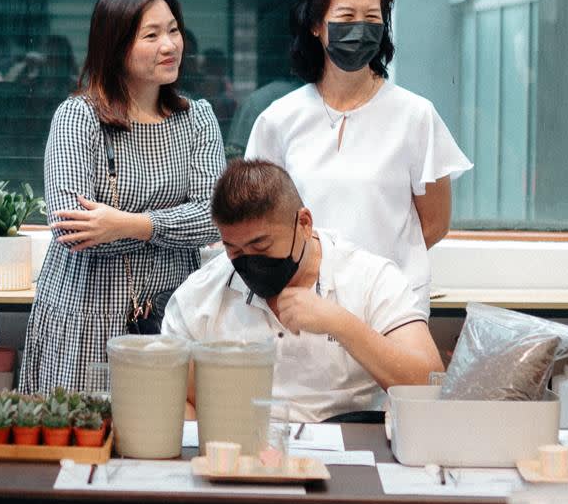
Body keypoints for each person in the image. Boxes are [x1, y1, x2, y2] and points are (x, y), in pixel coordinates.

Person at [21, 0, 226, 392]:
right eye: (151, 35)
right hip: (86, 316)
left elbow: (213, 218)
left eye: (173, 30)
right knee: (81, 429)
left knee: (165, 427)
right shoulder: (79, 117)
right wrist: (170, 227)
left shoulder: (197, 117)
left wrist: (127, 224)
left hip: (173, 313)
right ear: (115, 46)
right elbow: (73, 231)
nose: (169, 45)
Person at [245, 0, 469, 313]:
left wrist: (375, 273)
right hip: (305, 302)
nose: (360, 29)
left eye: (372, 18)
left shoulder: (415, 116)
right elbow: (259, 219)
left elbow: (435, 224)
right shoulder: (279, 119)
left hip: (392, 305)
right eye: (346, 17)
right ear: (316, 25)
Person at [162, 160, 441, 422]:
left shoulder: (370, 278)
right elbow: (178, 400)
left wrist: (340, 324)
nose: (250, 261)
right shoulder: (201, 294)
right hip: (243, 443)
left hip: (350, 441)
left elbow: (428, 384)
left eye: (261, 246)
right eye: (234, 249)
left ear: (304, 224)